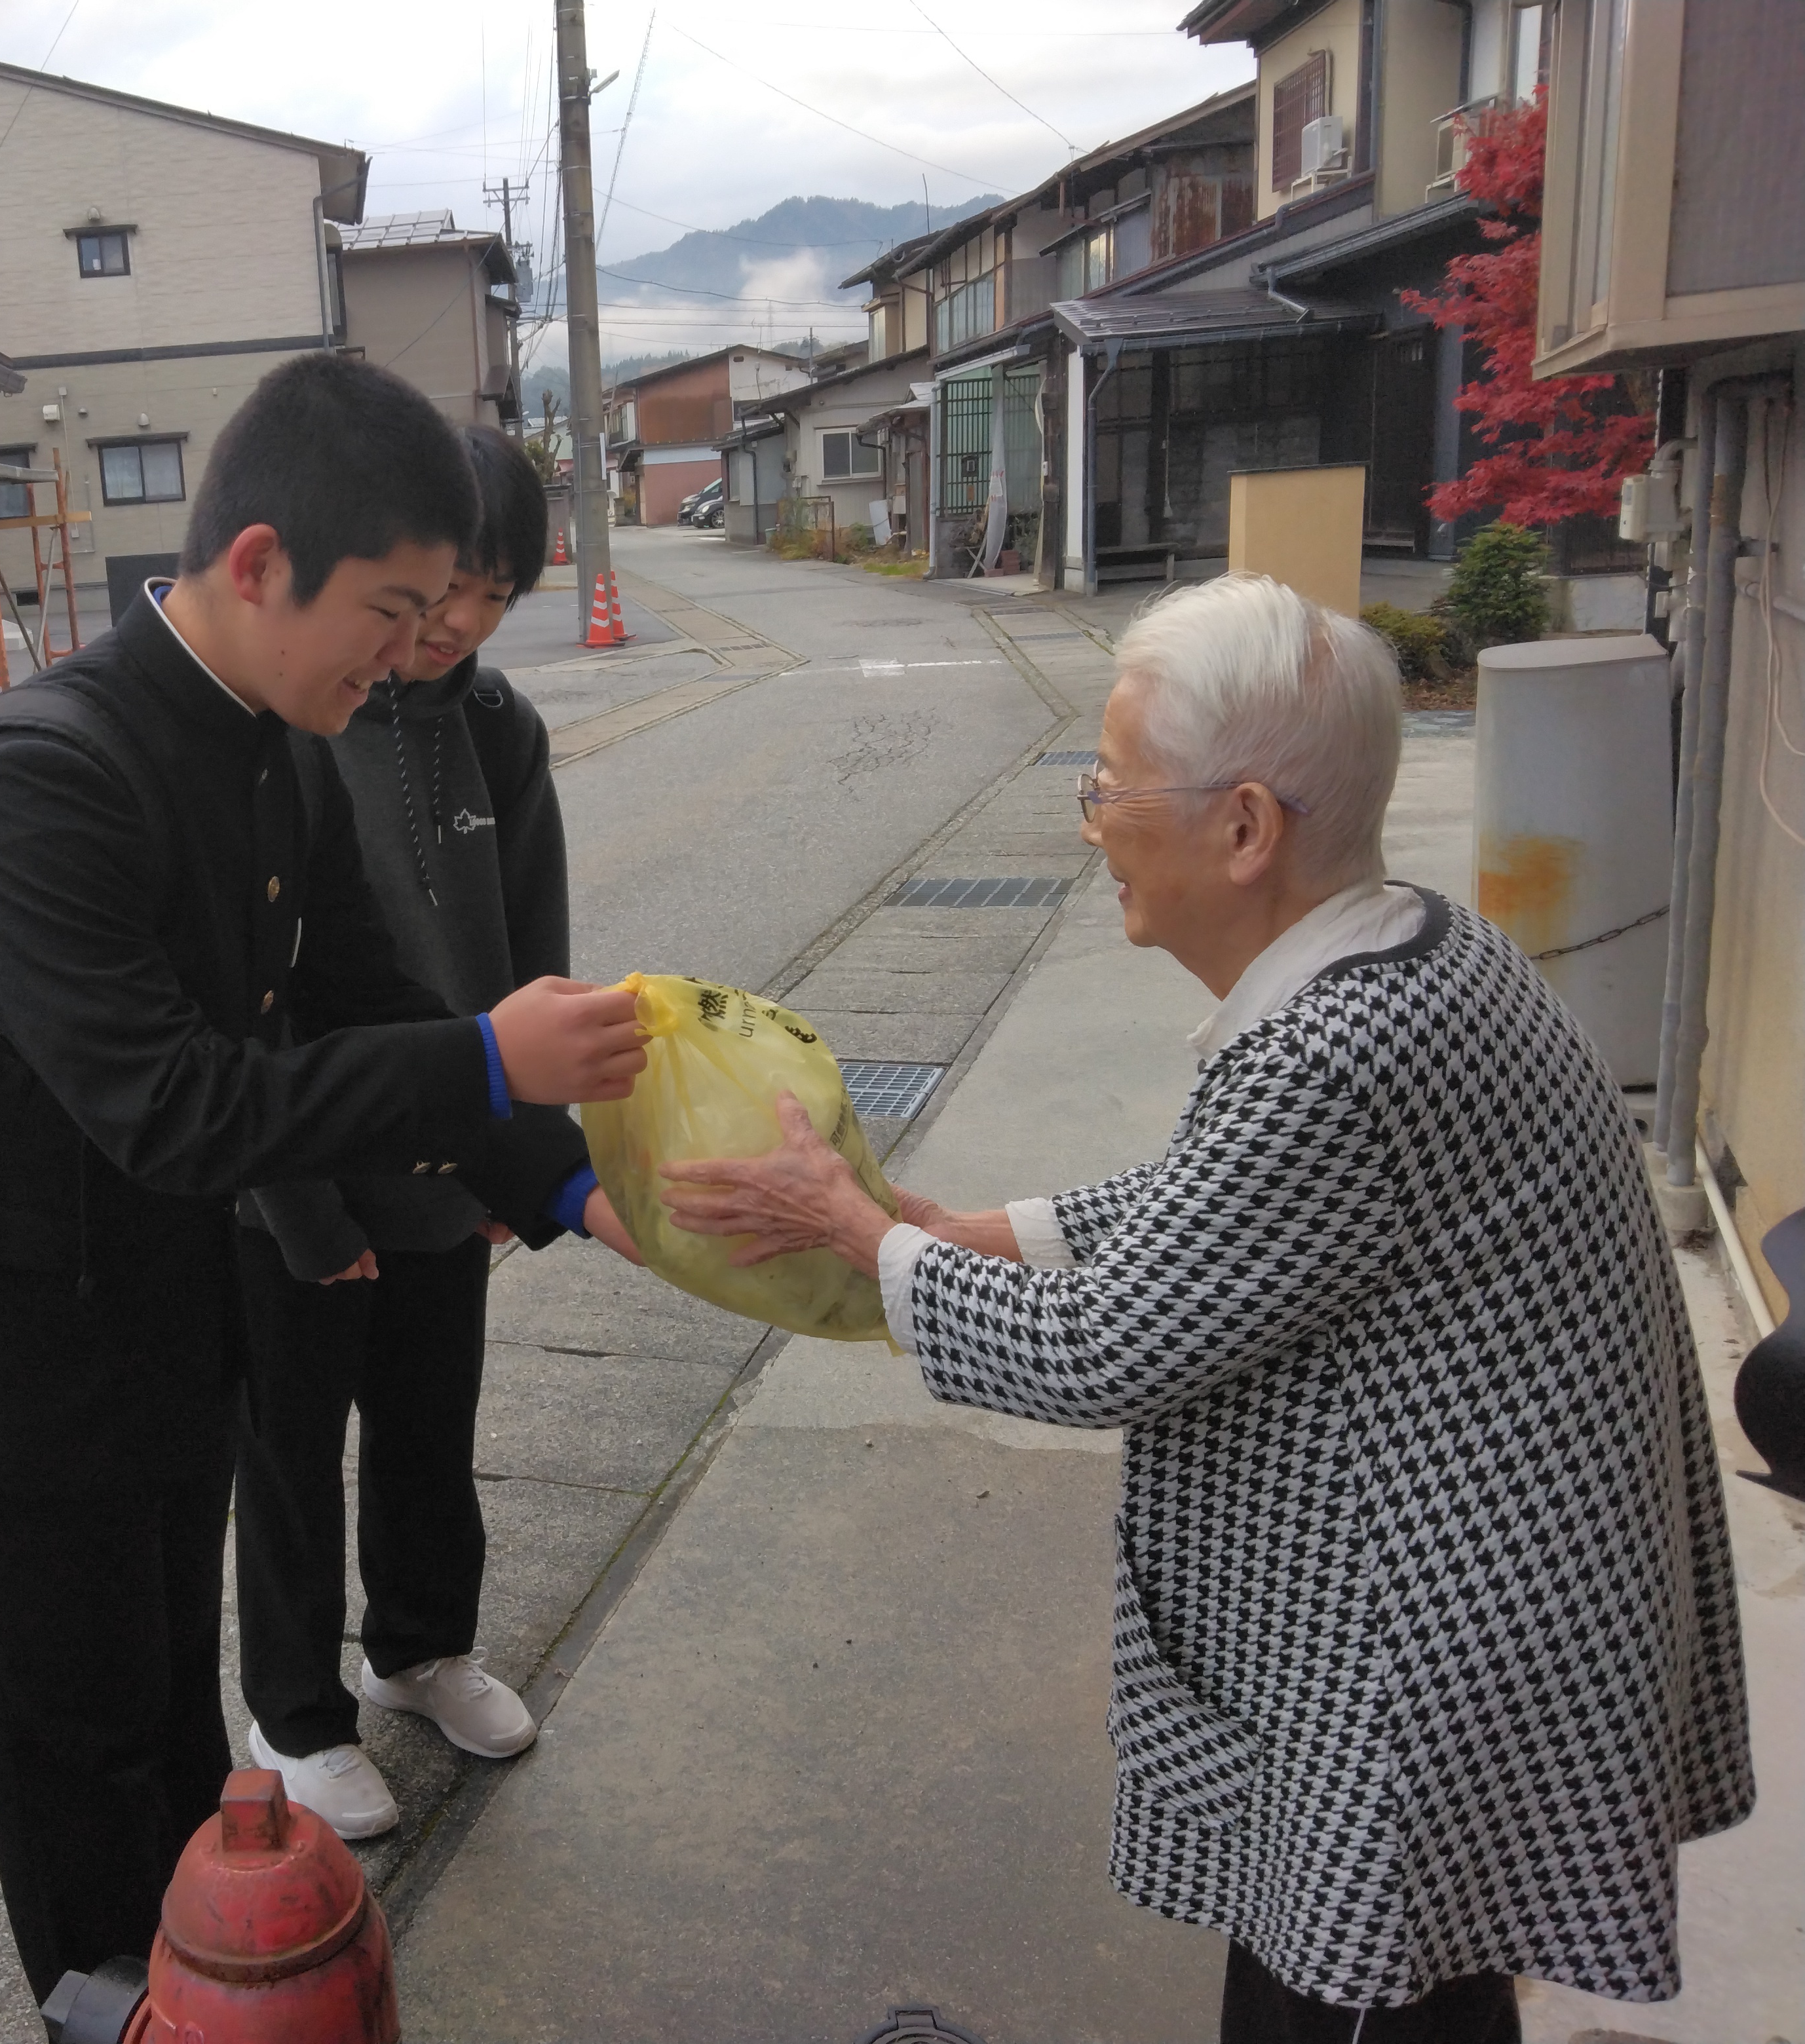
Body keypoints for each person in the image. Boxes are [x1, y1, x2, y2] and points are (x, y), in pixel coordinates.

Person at [658, 574, 1753, 2044]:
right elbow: (1228, 1221)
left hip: (1417, 1690)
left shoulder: (1336, 1056)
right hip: (1473, 1632)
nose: (1091, 815)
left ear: (1243, 828)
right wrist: (966, 1231)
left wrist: (857, 1237)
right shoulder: (1418, 950)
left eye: (1109, 782)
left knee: (1356, 2004)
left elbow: (1103, 1351)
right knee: (1361, 1987)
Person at [0, 354, 647, 2005]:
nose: (410, 649)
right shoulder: (42, 780)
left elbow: (376, 1009)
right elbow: (179, 1107)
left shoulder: (279, 744)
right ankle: (117, 2008)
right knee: (77, 1773)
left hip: (161, 1325)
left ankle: (207, 2004)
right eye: (389, 606)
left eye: (440, 609)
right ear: (254, 564)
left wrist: (584, 1193)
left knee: (170, 1756)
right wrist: (493, 1061)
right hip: (15, 1360)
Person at [233, 426, 639, 1837]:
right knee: (287, 1450)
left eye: (491, 598)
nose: (456, 625)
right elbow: (257, 996)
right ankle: (290, 1712)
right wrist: (302, 1207)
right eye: (442, 588)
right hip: (297, 1166)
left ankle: (418, 1650)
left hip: (458, 1151)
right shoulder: (297, 716)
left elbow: (537, 958)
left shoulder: (500, 729)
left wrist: (530, 1163)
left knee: (429, 1424)